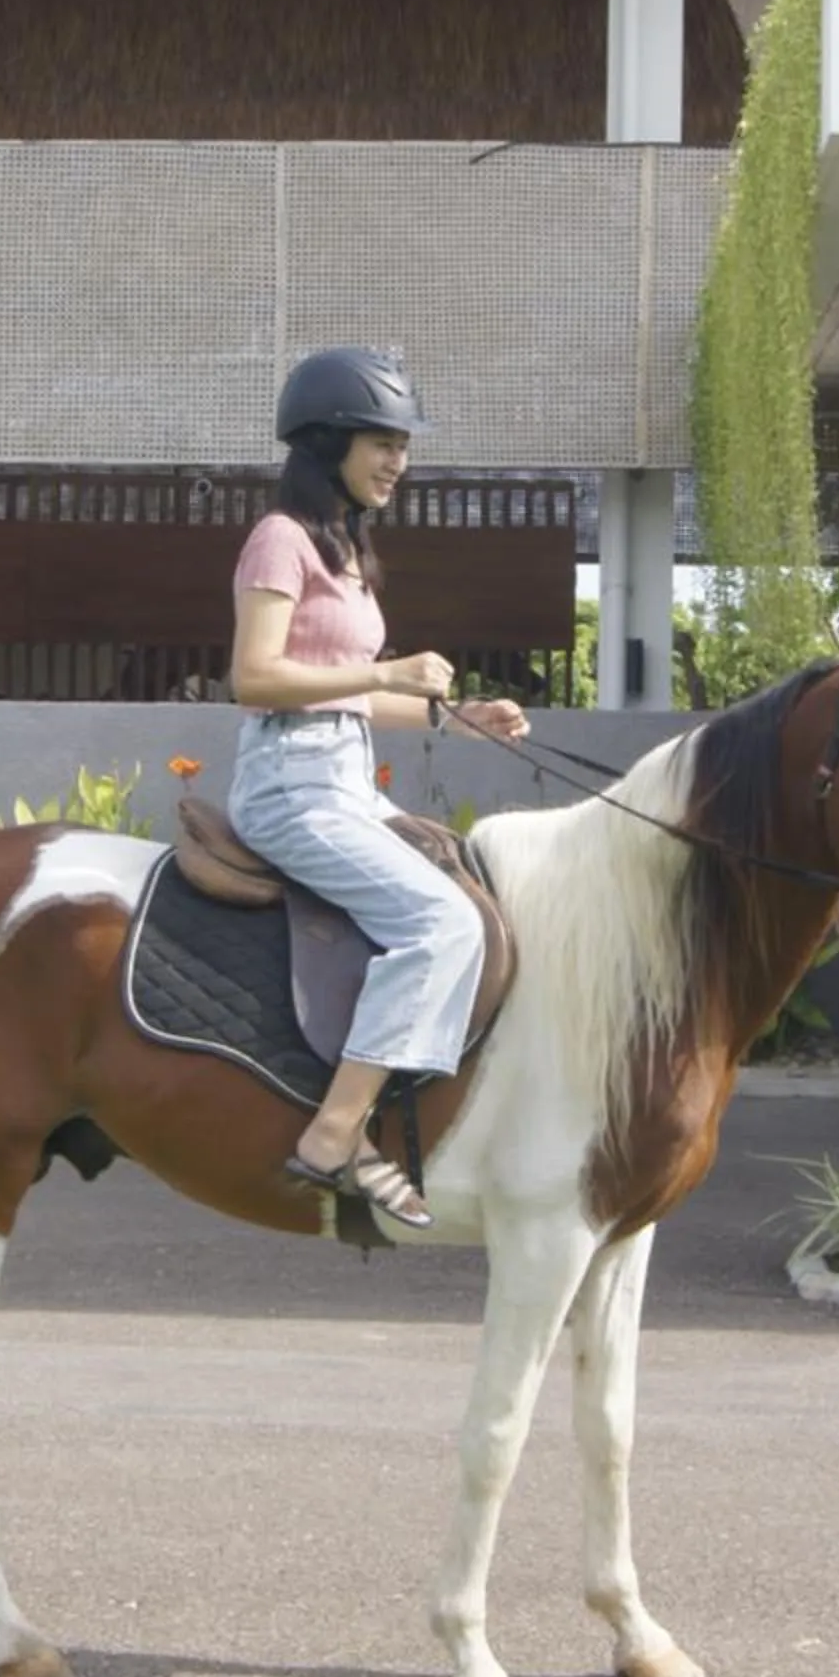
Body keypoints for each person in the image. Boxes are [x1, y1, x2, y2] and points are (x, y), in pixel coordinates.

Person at [228, 347, 527, 1228]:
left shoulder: (346, 550)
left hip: (348, 780)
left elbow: (350, 697)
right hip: (291, 787)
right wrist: (389, 672)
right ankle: (335, 1133)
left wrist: (457, 718)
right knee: (441, 923)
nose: (400, 461)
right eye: (384, 443)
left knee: (474, 887)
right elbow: (253, 678)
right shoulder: (280, 539)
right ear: (329, 443)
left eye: (404, 446)